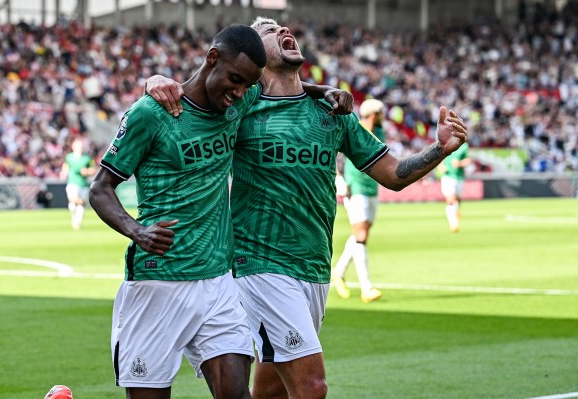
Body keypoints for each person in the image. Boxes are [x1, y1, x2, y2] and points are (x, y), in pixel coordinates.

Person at [145, 16, 468, 399]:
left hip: (314, 267)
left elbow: (393, 174)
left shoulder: (332, 112)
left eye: (284, 28)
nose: (283, 31)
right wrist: (155, 82)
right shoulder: (240, 106)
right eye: (269, 32)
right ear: (252, 57)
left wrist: (439, 150)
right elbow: (193, 93)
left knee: (271, 392)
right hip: (258, 265)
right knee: (312, 387)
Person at [88, 24, 268, 399]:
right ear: (212, 58)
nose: (238, 94)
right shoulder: (152, 113)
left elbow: (283, 92)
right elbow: (100, 188)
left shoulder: (239, 102)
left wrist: (327, 92)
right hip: (158, 283)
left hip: (218, 281)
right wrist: (136, 230)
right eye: (234, 80)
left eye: (246, 86)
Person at [331, 98, 386, 303]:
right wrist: (339, 177)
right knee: (361, 235)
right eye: (380, 113)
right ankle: (366, 287)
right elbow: (335, 151)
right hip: (356, 187)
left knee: (361, 236)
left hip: (372, 187)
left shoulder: (380, 132)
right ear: (373, 114)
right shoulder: (354, 128)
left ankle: (338, 272)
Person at [59, 137, 96, 230]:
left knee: (81, 204)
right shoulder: (69, 157)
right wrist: (63, 173)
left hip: (83, 184)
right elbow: (66, 166)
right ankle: (74, 218)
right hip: (72, 183)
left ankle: (77, 221)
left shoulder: (87, 158)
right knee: (74, 200)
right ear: (73, 146)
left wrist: (87, 171)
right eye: (78, 146)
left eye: (81, 146)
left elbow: (94, 169)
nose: (80, 148)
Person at [438, 141, 471, 232]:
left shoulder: (464, 146)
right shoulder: (445, 143)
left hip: (459, 177)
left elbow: (468, 160)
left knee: (457, 200)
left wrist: (459, 163)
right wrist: (440, 166)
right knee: (451, 199)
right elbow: (439, 158)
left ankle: (455, 214)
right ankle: (453, 223)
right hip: (447, 176)